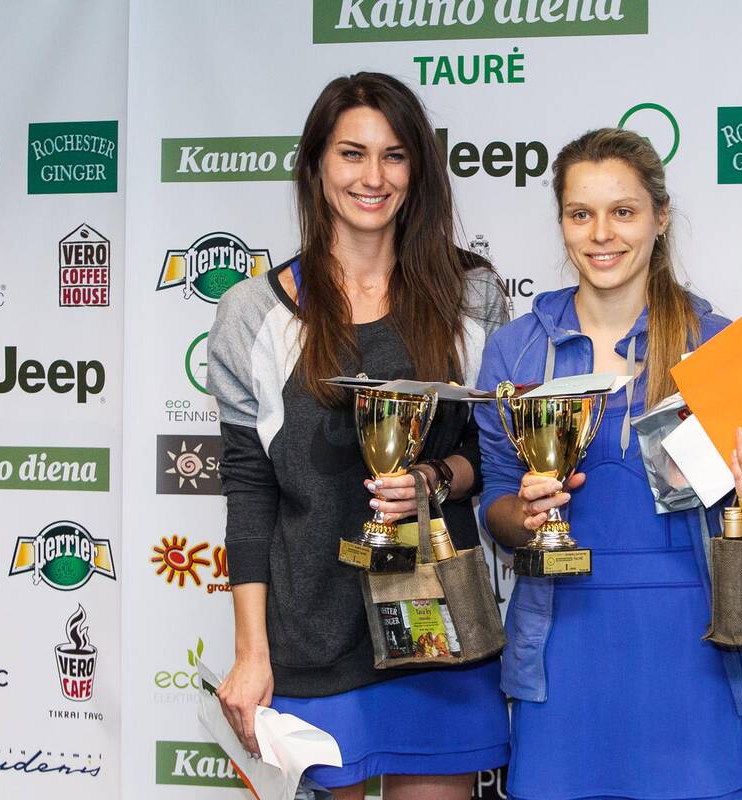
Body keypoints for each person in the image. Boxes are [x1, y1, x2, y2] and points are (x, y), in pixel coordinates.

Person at [208, 72, 511, 800]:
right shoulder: (253, 312)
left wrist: (434, 480)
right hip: (311, 635)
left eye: (394, 155)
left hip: (442, 634)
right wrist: (251, 654)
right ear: (317, 165)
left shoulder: (471, 296)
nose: (373, 177)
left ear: (418, 170)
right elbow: (250, 492)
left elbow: (492, 451)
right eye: (352, 153)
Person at [474, 128, 742, 800]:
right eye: (580, 213)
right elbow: (495, 499)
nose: (601, 234)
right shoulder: (515, 351)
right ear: (562, 222)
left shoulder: (717, 345)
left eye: (623, 211)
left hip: (696, 644)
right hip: (561, 647)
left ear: (660, 217)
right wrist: (524, 515)